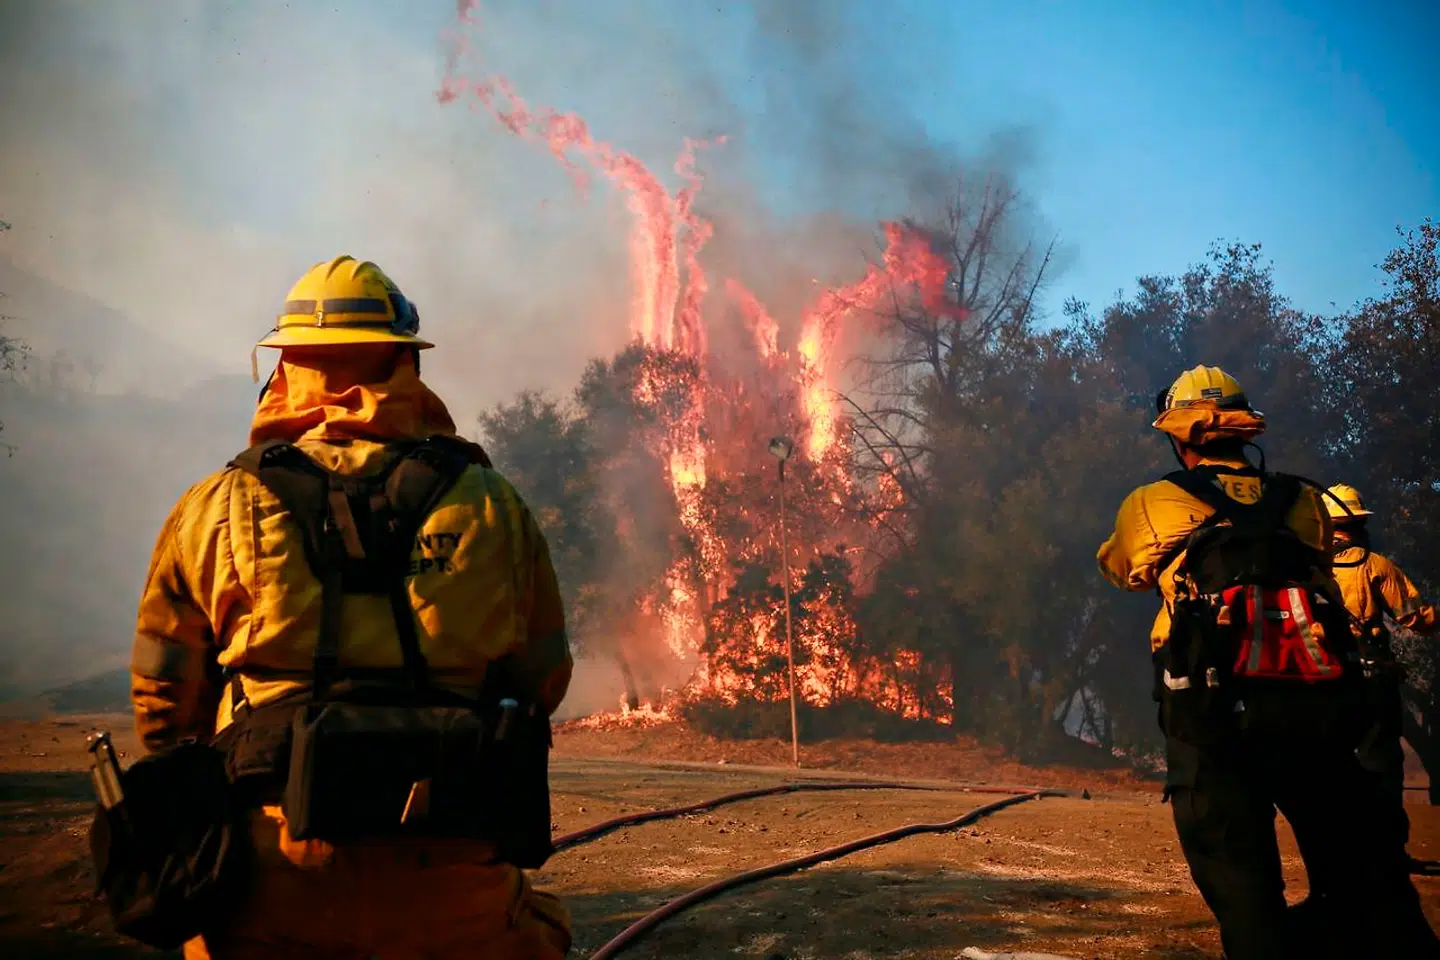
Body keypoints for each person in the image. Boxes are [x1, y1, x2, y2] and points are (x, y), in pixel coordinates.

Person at [128, 255, 574, 959]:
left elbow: (162, 703)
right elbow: (543, 676)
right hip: (450, 869)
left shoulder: (216, 505)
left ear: (285, 369)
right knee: (537, 931)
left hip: (268, 878)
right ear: (404, 364)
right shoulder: (493, 503)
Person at [1096, 364, 1438, 960]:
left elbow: (1123, 569)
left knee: (1243, 886)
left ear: (1179, 436)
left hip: (1210, 714)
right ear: (1245, 430)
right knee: (1360, 871)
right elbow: (1323, 565)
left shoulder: (1153, 502)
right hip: (1315, 706)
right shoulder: (1304, 500)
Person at [1324, 483, 1439, 861]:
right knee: (1381, 764)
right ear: (1358, 524)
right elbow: (1417, 618)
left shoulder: (1306, 568)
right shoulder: (1375, 566)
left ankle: (1340, 849)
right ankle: (1386, 851)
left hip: (1320, 682)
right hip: (1370, 679)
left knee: (1331, 764)